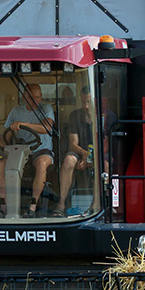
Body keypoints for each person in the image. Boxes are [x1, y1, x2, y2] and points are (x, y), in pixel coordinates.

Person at [0, 83, 54, 216]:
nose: (35, 101)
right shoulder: (16, 112)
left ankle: (32, 208)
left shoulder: (46, 108)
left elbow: (47, 128)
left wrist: (23, 124)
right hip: (20, 151)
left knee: (42, 163)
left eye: (38, 97)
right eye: (31, 98)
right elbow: (6, 137)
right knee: (2, 164)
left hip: (41, 149)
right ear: (23, 97)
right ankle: (3, 206)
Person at [55, 87, 96, 216]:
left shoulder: (103, 115)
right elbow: (73, 144)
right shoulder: (74, 115)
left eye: (89, 102)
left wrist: (90, 159)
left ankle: (96, 205)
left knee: (103, 164)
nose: (86, 106)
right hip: (79, 152)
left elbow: (103, 145)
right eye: (84, 102)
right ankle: (61, 203)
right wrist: (84, 155)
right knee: (68, 160)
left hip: (97, 154)